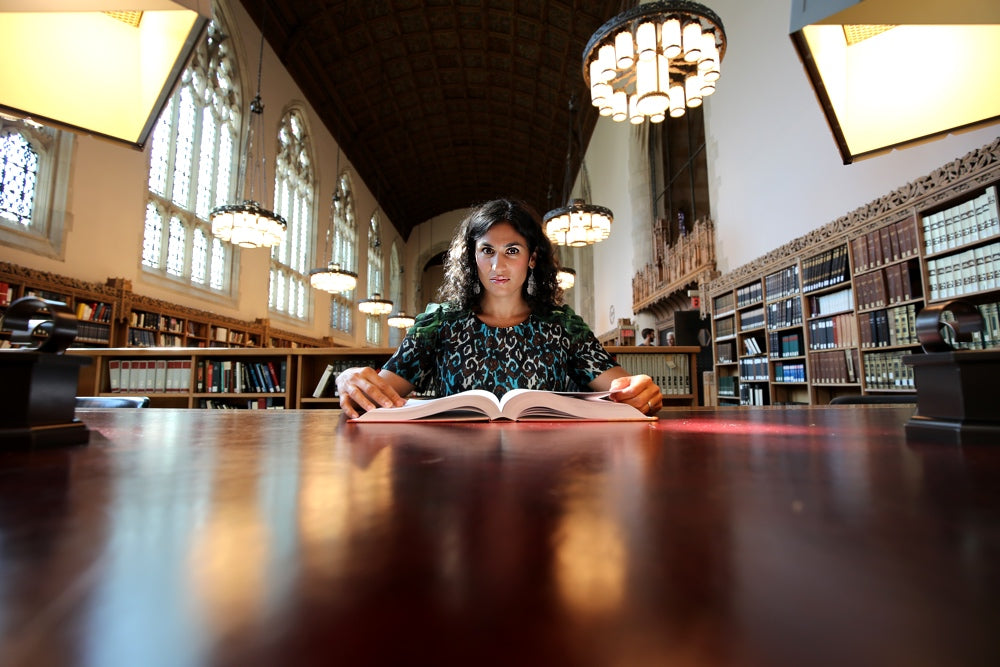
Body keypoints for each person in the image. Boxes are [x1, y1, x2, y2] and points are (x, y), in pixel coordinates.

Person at [336, 198, 663, 419]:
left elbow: (624, 390)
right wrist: (350, 380)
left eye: (512, 250)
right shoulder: (439, 323)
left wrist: (639, 391)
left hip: (547, 469)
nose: (498, 265)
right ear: (472, 257)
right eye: (487, 250)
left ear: (532, 258)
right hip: (455, 468)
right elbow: (378, 395)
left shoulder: (563, 326)